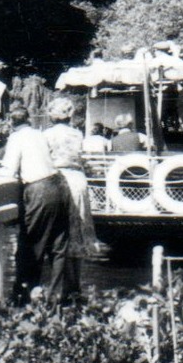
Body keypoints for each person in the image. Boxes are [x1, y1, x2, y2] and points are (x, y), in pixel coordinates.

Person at [0, 105, 73, 302]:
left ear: (11, 123)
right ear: (28, 119)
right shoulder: (39, 134)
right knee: (58, 245)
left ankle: (24, 296)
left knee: (30, 244)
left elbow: (9, 168)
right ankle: (57, 298)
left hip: (40, 189)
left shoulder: (16, 137)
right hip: (60, 185)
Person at [45, 97, 105, 263]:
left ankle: (59, 267)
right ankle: (75, 277)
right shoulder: (77, 134)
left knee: (59, 226)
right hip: (77, 179)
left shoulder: (47, 135)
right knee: (78, 224)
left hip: (58, 178)